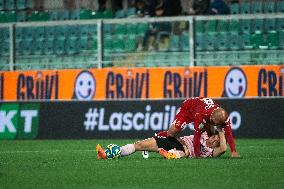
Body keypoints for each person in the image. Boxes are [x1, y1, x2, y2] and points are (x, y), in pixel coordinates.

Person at [156, 97, 240, 158]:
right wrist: (197, 155)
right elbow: (197, 135)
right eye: (216, 124)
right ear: (212, 119)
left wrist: (233, 151)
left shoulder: (223, 117)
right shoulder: (201, 116)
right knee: (171, 133)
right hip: (189, 108)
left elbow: (228, 133)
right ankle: (158, 136)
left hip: (202, 109)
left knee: (211, 132)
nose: (218, 126)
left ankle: (174, 152)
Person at [96, 129, 227, 160]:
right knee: (140, 145)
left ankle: (170, 155)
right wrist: (219, 129)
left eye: (217, 140)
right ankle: (106, 154)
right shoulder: (205, 133)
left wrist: (222, 133)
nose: (214, 140)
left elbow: (223, 149)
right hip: (175, 140)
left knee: (185, 152)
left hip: (184, 150)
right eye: (215, 136)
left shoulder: (211, 152)